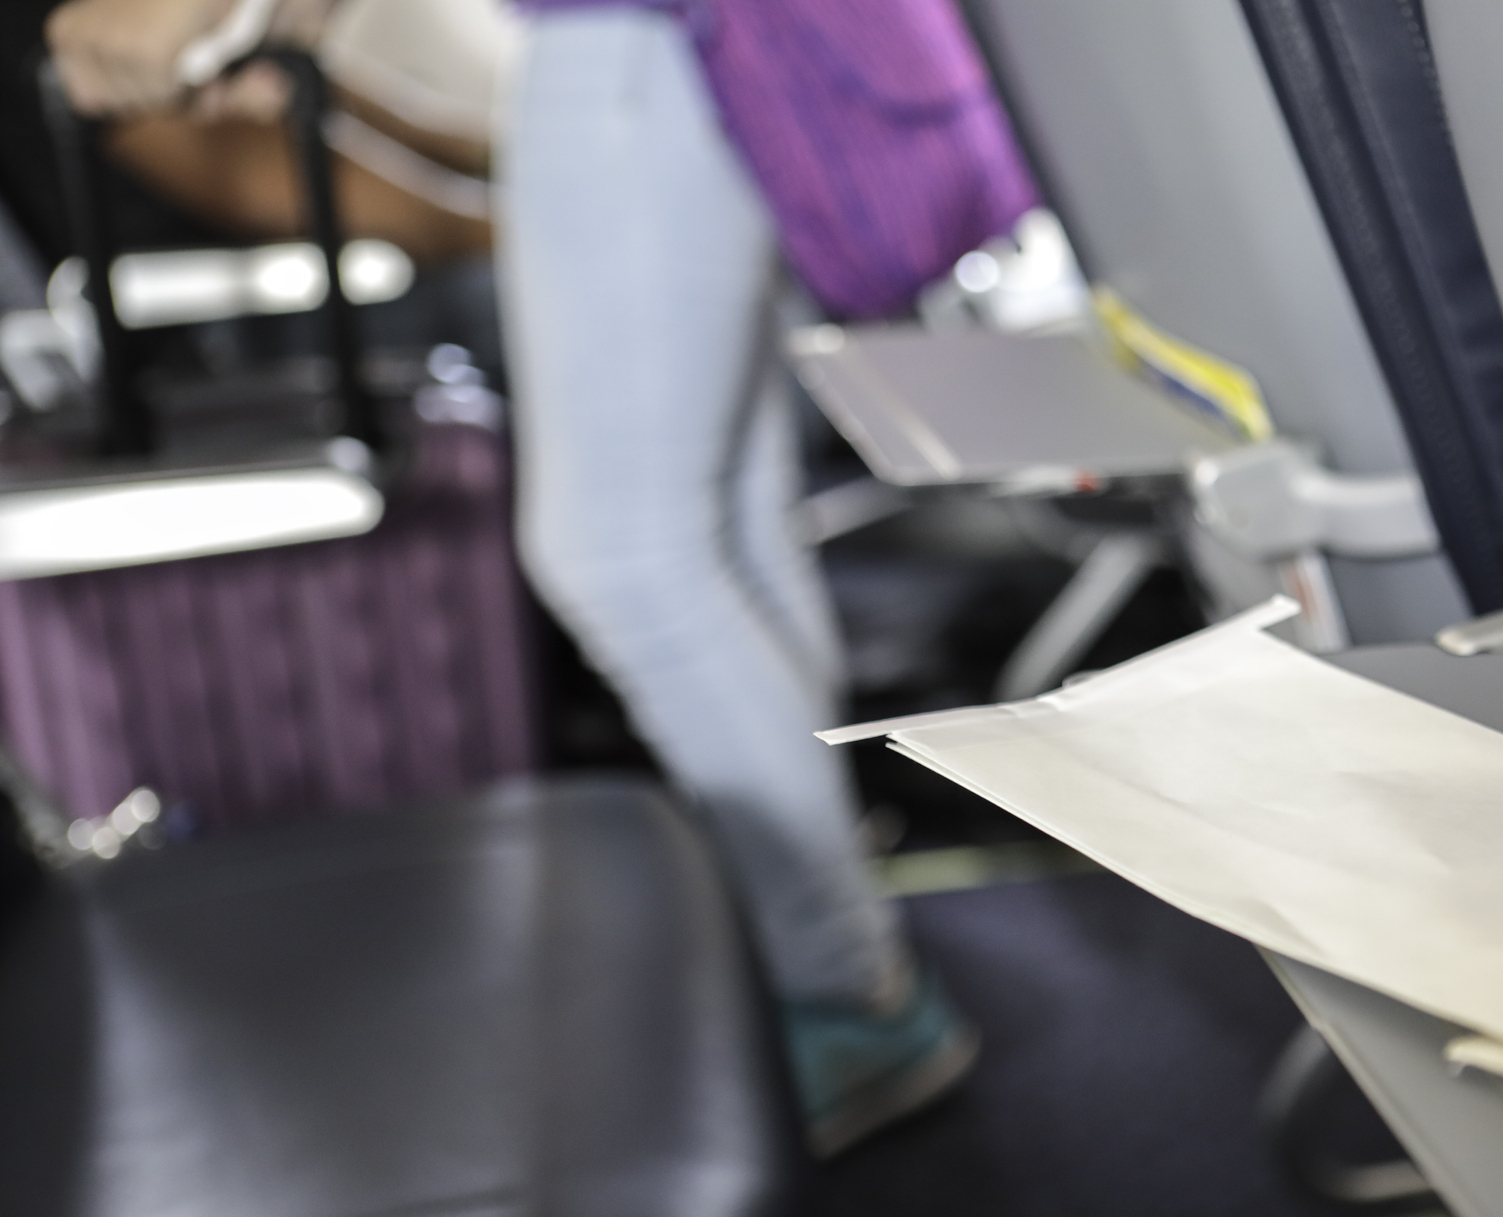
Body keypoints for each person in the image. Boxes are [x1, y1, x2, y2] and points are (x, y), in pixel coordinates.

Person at [42, 0, 1038, 1155]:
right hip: (685, 42)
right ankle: (828, 938)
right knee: (720, 526)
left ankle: (848, 985)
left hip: (635, 37)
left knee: (626, 555)